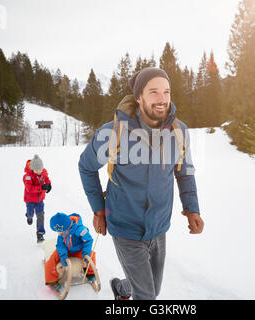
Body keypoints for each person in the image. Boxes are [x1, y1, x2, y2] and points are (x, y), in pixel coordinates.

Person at [78, 67, 204, 300]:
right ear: (139, 97)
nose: (162, 98)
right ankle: (133, 290)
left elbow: (184, 173)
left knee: (151, 289)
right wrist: (98, 209)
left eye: (166, 92)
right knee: (147, 296)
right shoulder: (113, 133)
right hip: (125, 226)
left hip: (158, 226)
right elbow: (86, 166)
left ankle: (122, 288)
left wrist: (192, 208)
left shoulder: (179, 132)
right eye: (153, 92)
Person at [45, 212, 97, 290]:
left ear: (64, 227)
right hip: (67, 250)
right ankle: (52, 280)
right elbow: (60, 245)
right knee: (52, 259)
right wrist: (63, 256)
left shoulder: (80, 229)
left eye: (58, 231)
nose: (58, 233)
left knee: (91, 254)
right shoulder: (61, 233)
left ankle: (90, 273)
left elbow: (88, 241)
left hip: (79, 250)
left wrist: (85, 253)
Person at [23, 154, 52, 243]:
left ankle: (40, 234)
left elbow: (46, 179)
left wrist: (49, 185)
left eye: (40, 169)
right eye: (36, 170)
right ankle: (29, 216)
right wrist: (41, 187)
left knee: (41, 216)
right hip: (30, 200)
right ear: (32, 169)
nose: (39, 171)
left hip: (40, 200)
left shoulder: (43, 172)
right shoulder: (27, 176)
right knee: (31, 213)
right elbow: (30, 189)